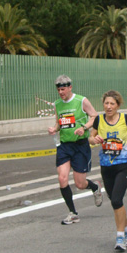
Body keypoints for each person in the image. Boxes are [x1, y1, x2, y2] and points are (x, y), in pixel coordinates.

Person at [48, 75, 102, 225]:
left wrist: (84, 127)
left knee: (80, 184)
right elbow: (59, 122)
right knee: (62, 178)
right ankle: (73, 213)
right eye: (58, 90)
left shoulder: (81, 101)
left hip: (80, 146)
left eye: (63, 89)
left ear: (70, 87)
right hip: (64, 146)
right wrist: (54, 129)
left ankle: (94, 186)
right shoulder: (57, 104)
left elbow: (94, 116)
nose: (61, 92)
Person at [88, 90, 127, 252]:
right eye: (106, 103)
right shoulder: (99, 120)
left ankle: (120, 237)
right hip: (106, 166)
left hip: (123, 164)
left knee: (116, 200)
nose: (109, 107)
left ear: (118, 105)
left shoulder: (125, 118)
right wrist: (93, 139)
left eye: (112, 104)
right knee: (116, 202)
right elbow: (91, 137)